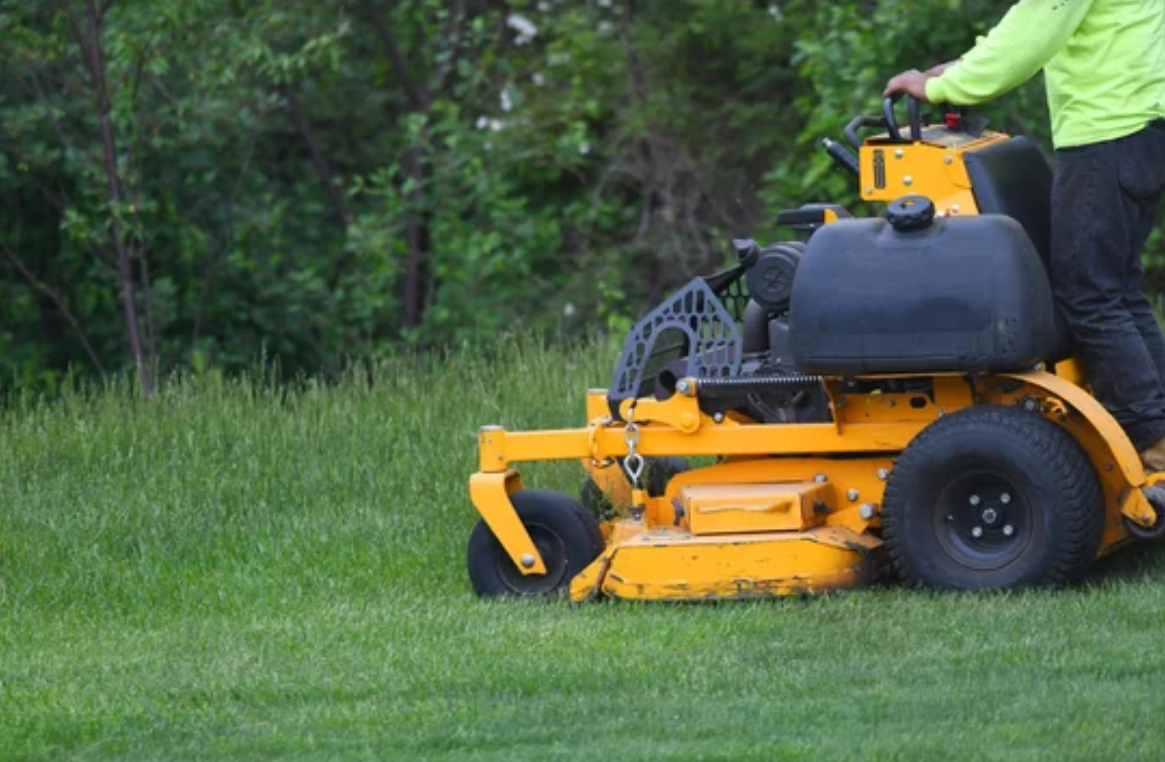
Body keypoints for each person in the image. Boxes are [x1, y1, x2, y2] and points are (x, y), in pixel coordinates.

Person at [884, 0, 1165, 471]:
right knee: (1116, 293)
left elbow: (1032, 34)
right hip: (1140, 130)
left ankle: (1151, 439)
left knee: (1088, 296)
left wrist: (941, 86)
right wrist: (961, 67)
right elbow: (1034, 24)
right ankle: (1157, 426)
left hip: (1105, 135)